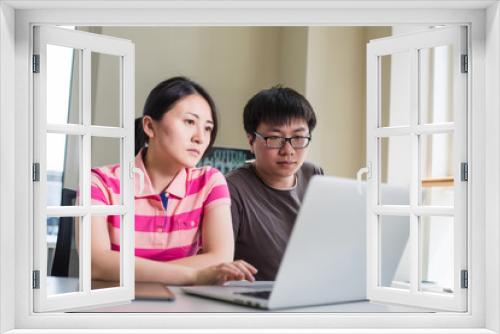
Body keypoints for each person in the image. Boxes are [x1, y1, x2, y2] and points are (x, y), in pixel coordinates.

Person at [90, 77, 256, 285]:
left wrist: (125, 269)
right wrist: (194, 275)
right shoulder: (99, 183)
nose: (200, 138)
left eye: (207, 128)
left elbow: (220, 259)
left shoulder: (210, 182)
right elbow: (96, 264)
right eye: (189, 122)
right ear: (150, 127)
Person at [226, 86, 323, 281]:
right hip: (259, 301)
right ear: (251, 140)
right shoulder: (231, 189)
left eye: (298, 138)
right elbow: (220, 265)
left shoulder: (315, 176)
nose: (288, 150)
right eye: (275, 138)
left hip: (314, 290)